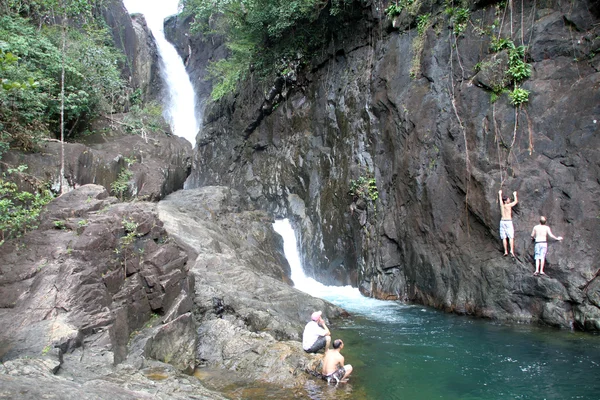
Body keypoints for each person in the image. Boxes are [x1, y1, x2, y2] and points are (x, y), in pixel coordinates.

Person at [498, 189, 518, 257]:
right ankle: (511, 251)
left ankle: (506, 251)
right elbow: (515, 201)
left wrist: (500, 194)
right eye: (508, 199)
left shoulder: (502, 205)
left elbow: (500, 201)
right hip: (508, 221)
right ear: (506, 201)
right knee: (511, 237)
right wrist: (515, 195)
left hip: (502, 222)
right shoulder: (508, 205)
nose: (509, 200)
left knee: (503, 237)